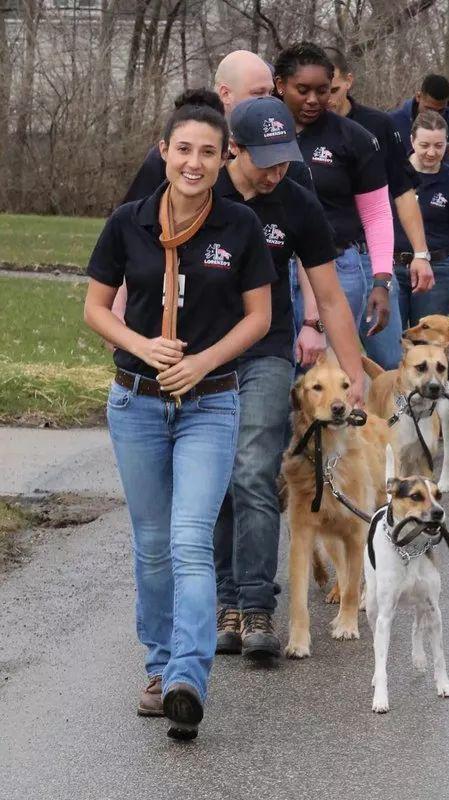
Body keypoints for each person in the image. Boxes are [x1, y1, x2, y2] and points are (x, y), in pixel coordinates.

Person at [83, 90, 276, 740]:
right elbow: (97, 309)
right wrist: (142, 345)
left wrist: (200, 363)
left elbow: (260, 318)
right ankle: (160, 664)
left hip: (210, 402)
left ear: (226, 160)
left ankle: (187, 677)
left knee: (191, 540)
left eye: (209, 153)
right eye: (184, 149)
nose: (195, 163)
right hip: (136, 402)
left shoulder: (240, 227)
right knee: (153, 547)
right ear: (164, 151)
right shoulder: (128, 222)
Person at [213, 96, 366, 659]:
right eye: (265, 159)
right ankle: (225, 601)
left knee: (255, 469)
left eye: (285, 158)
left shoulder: (297, 203)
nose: (277, 170)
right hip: (204, 352)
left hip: (266, 349)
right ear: (235, 148)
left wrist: (352, 374)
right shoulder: (206, 191)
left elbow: (328, 295)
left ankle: (256, 607)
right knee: (218, 477)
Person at [274, 42, 394, 338]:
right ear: (280, 85)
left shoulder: (355, 139)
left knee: (326, 378)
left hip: (336, 267)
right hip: (270, 266)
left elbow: (377, 214)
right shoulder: (261, 132)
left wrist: (381, 280)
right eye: (302, 90)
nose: (314, 99)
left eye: (323, 90)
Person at [324, 46, 433, 368]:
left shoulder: (377, 125)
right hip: (320, 260)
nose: (325, 98)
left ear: (349, 81)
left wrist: (421, 254)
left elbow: (402, 193)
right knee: (324, 367)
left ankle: (399, 414)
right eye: (318, 90)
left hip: (371, 256)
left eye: (333, 89)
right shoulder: (301, 127)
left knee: (389, 360)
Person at [122, 50, 313, 203]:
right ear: (225, 93)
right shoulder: (173, 153)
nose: (267, 100)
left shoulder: (285, 157)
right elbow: (133, 224)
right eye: (258, 92)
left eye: (270, 92)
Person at [393, 111, 449, 326]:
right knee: (392, 347)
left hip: (436, 271)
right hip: (393, 267)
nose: (431, 153)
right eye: (424, 145)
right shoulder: (393, 174)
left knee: (428, 343)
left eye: (438, 146)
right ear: (412, 140)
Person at [390, 74, 449, 156]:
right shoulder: (392, 123)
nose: (434, 115)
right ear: (418, 97)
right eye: (429, 109)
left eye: (440, 111)